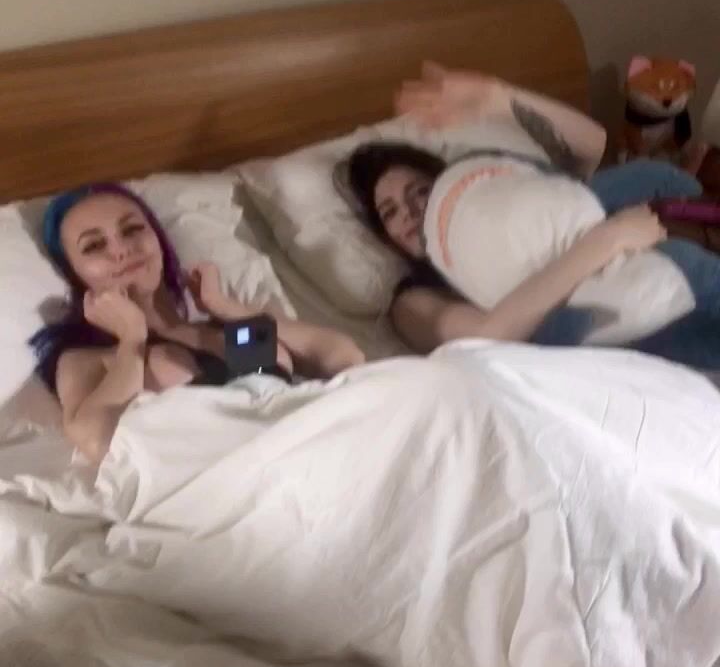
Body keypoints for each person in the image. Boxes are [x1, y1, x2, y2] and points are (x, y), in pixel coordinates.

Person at [345, 63, 720, 369]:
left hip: (664, 280)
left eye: (420, 192)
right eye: (390, 211)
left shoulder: (521, 209)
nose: (411, 213)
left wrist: (500, 98)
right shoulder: (412, 301)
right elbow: (489, 336)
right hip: (607, 348)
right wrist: (608, 239)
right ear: (383, 234)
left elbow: (591, 145)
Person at [30, 182, 365, 464]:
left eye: (132, 229)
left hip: (317, 451)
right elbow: (97, 441)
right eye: (94, 246)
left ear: (158, 239)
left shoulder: (226, 328)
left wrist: (225, 307)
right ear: (75, 275)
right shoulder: (87, 359)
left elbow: (344, 358)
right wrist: (132, 340)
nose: (120, 250)